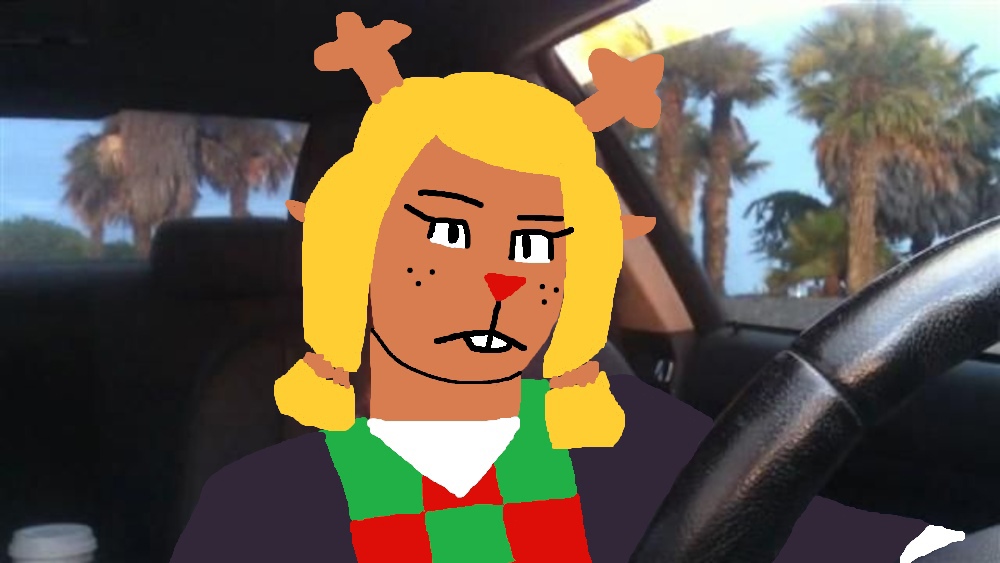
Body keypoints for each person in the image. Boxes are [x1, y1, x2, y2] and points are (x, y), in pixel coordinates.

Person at [170, 12, 938, 563]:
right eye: (449, 230)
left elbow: (839, 538)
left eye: (537, 242)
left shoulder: (634, 436)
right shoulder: (259, 506)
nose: (507, 274)